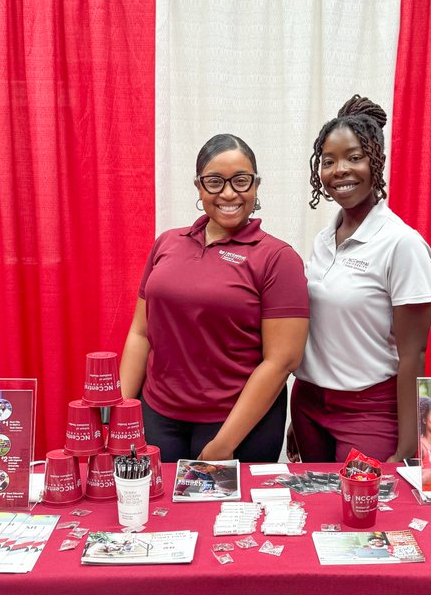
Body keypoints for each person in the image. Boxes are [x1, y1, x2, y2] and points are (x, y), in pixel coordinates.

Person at [120, 134, 309, 463]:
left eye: (240, 180)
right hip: (158, 417)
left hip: (238, 428)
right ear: (199, 187)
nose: (228, 193)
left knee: (229, 516)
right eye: (214, 181)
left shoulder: (278, 258)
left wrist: (224, 444)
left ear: (255, 185)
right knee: (156, 512)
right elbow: (140, 332)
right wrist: (120, 411)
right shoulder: (167, 243)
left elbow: (281, 362)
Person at [290, 95, 431, 463]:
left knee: (364, 517)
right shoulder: (324, 239)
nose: (340, 170)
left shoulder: (402, 244)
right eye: (329, 161)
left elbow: (413, 355)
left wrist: (407, 448)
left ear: (376, 162)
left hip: (369, 410)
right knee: (317, 514)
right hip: (308, 404)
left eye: (354, 157)